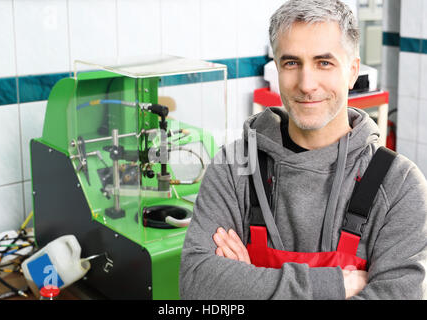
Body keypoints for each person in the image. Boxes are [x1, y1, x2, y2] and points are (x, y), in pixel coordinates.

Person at [179, 0, 427, 300]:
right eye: (291, 63)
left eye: (324, 62)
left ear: (352, 71)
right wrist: (334, 286)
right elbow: (196, 285)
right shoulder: (233, 168)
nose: (306, 84)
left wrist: (250, 285)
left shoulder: (399, 185)